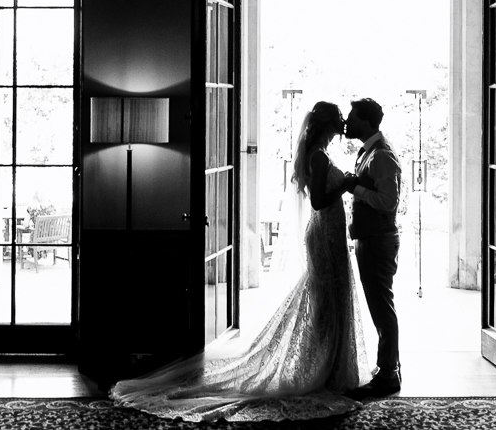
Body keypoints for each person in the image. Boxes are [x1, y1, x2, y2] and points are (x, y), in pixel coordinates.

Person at [111, 100, 374, 422]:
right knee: (326, 296)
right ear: (328, 125)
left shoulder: (318, 153)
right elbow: (319, 200)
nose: (344, 122)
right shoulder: (319, 157)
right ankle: (322, 367)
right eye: (339, 119)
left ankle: (328, 365)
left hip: (329, 231)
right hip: (325, 230)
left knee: (329, 298)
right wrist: (346, 185)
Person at [341, 96, 402, 397]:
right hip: (369, 237)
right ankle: (389, 365)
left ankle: (389, 374)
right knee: (378, 303)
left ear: (365, 121)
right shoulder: (367, 152)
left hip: (379, 239)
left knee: (381, 304)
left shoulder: (381, 156)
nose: (347, 123)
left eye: (352, 117)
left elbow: (389, 202)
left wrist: (356, 188)